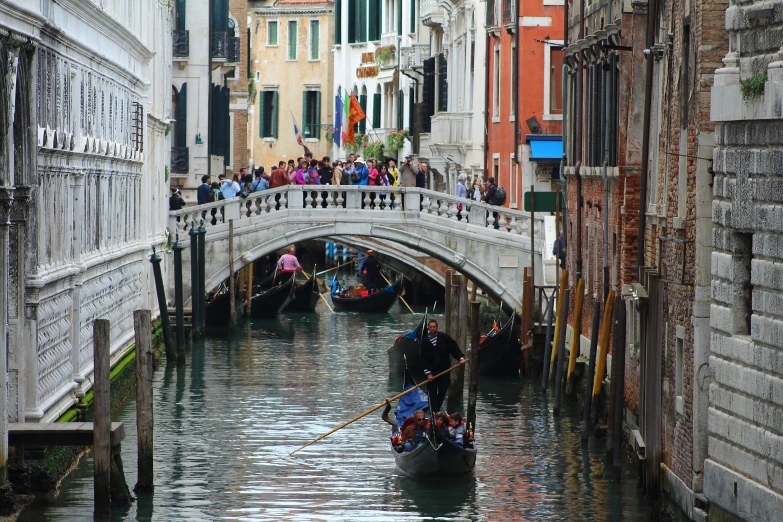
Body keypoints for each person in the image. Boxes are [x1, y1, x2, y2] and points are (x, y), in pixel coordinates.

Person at [421, 319, 465, 412]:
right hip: (431, 373)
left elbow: (454, 347)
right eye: (431, 327)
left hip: (444, 371)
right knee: (432, 394)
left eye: (434, 327)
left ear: (437, 327)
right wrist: (428, 374)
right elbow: (423, 359)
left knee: (442, 392)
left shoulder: (444, 338)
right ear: (428, 328)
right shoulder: (424, 342)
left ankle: (435, 411)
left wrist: (460, 358)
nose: (433, 328)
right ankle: (434, 412)